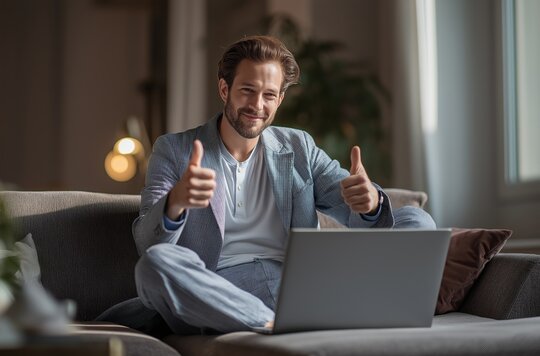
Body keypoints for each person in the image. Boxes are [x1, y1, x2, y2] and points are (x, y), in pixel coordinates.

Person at [98, 35, 435, 335]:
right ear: (224, 89)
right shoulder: (175, 150)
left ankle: (316, 314)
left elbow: (353, 209)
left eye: (269, 95)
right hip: (218, 289)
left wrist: (371, 202)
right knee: (154, 267)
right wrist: (175, 203)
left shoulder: (298, 146)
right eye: (247, 90)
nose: (257, 106)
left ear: (280, 99)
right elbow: (147, 242)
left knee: (418, 221)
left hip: (299, 285)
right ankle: (267, 321)